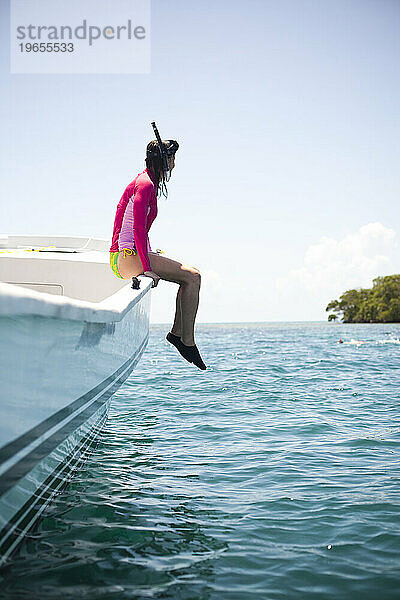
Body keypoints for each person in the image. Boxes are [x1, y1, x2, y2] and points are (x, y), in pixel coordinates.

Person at [109, 136, 206, 370]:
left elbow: (139, 230)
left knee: (190, 277)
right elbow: (137, 230)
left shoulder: (148, 182)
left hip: (131, 253)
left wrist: (150, 254)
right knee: (193, 277)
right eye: (173, 158)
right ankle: (186, 341)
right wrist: (148, 266)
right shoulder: (145, 184)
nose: (174, 164)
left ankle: (177, 334)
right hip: (125, 257)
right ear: (164, 159)